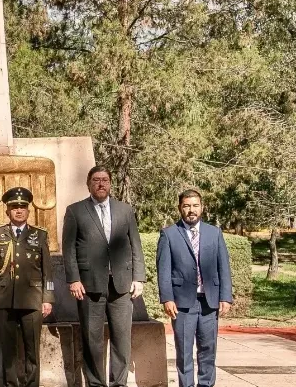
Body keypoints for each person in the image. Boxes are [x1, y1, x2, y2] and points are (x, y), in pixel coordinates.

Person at [62, 166, 144, 387]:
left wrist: (139, 277)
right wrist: (74, 279)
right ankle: (96, 383)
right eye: (96, 180)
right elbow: (68, 248)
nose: (101, 184)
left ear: (110, 183)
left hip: (121, 285)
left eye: (105, 180)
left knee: (122, 339)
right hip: (89, 286)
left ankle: (119, 383)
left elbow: (135, 245)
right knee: (92, 340)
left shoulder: (125, 210)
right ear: (88, 184)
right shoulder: (75, 211)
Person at [157, 190, 232, 387]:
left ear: (202, 207)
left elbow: (223, 266)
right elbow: (163, 270)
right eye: (187, 206)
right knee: (184, 352)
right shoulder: (169, 234)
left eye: (195, 205)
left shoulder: (214, 233)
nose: (191, 210)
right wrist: (167, 298)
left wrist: (225, 297)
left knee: (208, 349)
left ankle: (206, 384)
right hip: (182, 304)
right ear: (180, 208)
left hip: (209, 302)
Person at [0, 187, 54, 387]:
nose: (19, 210)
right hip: (4, 298)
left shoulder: (39, 235)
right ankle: (11, 384)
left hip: (33, 300)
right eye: (14, 207)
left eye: (23, 207)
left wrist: (48, 299)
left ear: (28, 211)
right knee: (9, 350)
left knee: (32, 350)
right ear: (7, 210)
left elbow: (47, 270)